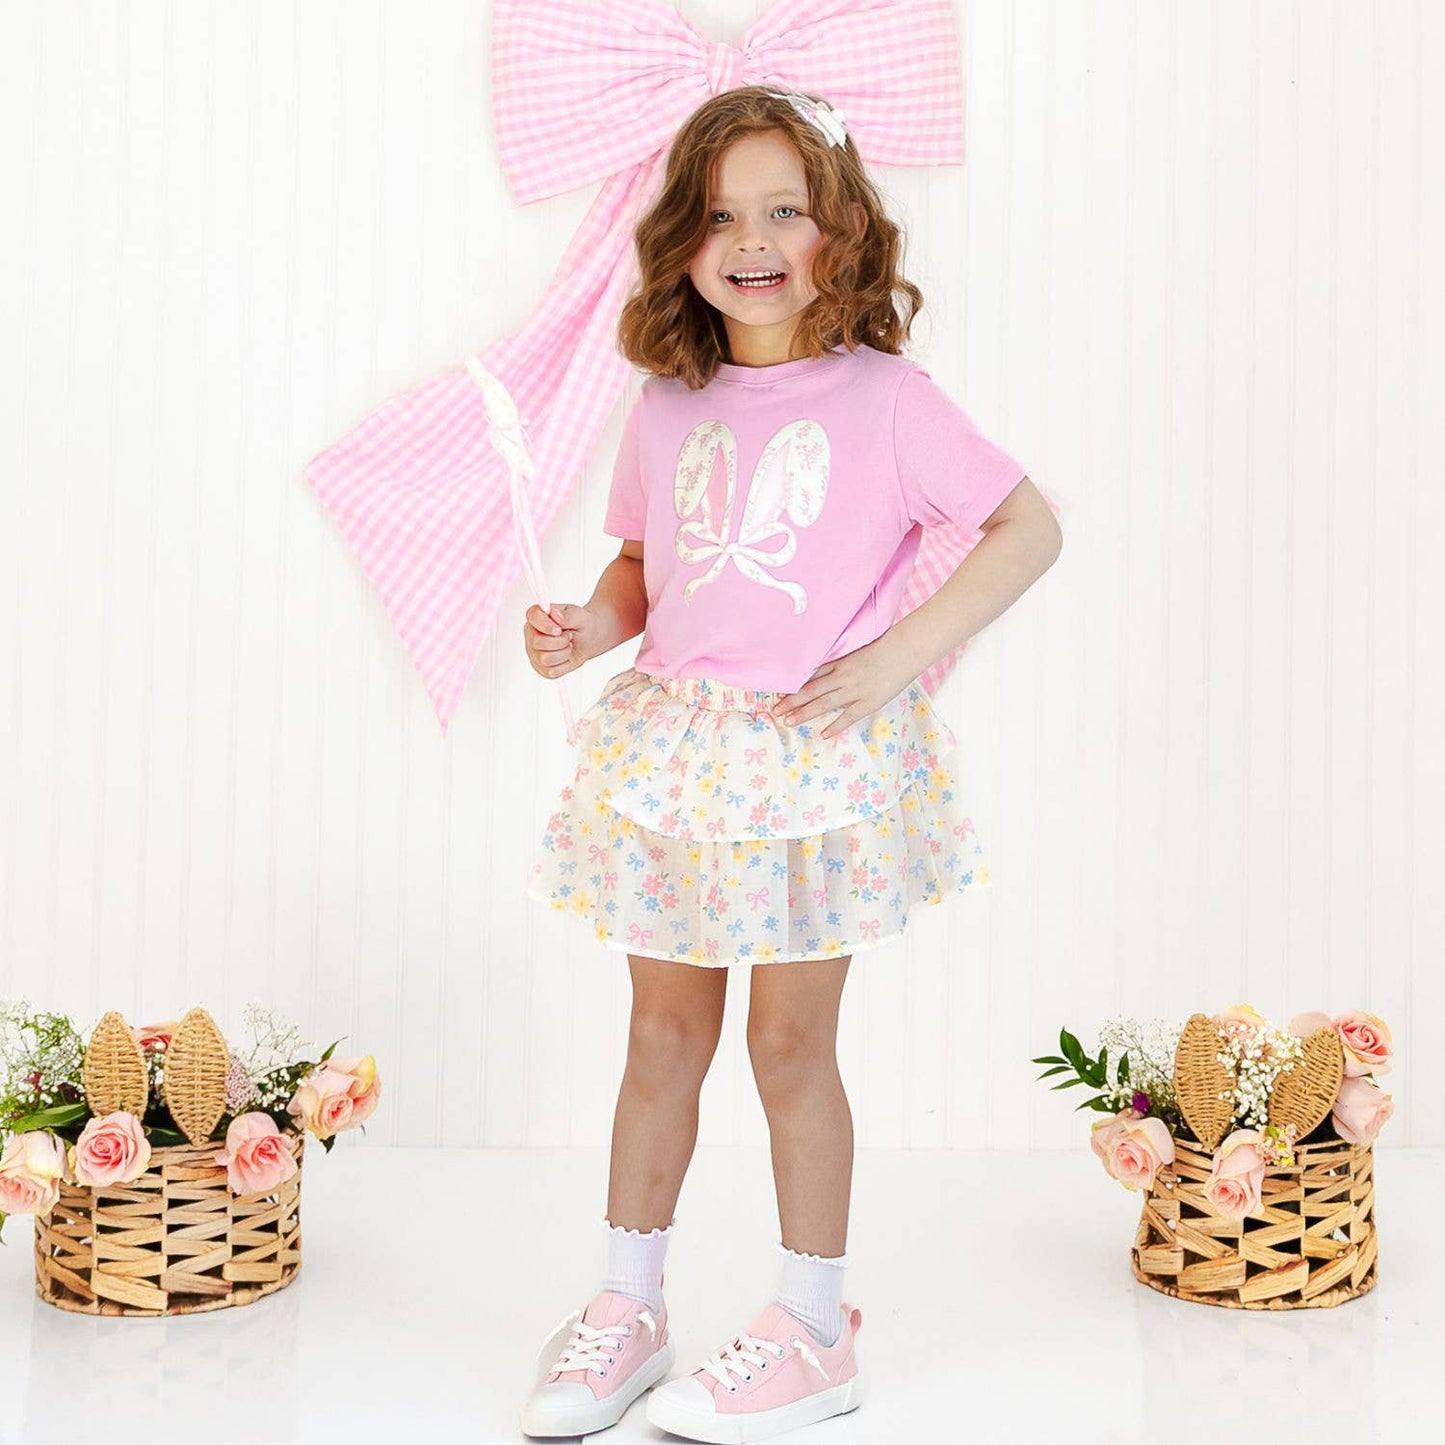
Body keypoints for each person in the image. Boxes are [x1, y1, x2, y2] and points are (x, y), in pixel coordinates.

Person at [518, 87, 1062, 1443]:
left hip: (809, 762)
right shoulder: (666, 401)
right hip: (682, 763)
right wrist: (588, 626)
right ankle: (626, 1303)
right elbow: (648, 565)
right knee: (660, 1032)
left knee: (785, 1039)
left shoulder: (888, 399)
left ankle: (812, 1323)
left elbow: (1024, 525)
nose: (748, 240)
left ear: (840, 231)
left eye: (781, 210)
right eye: (716, 216)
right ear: (678, 245)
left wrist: (896, 658)